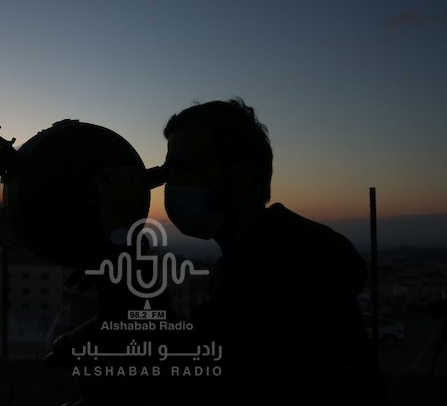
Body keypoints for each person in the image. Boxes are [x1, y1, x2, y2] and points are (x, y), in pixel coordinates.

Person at [87, 98, 387, 405]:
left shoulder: (283, 268)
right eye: (167, 172)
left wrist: (122, 241)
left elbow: (175, 379)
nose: (171, 185)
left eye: (186, 168)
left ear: (238, 178)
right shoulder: (269, 250)